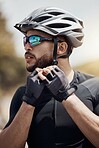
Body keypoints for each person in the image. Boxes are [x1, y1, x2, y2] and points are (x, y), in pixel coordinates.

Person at [0, 6, 98, 148]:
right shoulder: (23, 94)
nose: (27, 46)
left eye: (34, 39)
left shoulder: (94, 87)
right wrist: (28, 103)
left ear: (61, 48)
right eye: (25, 40)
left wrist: (67, 96)